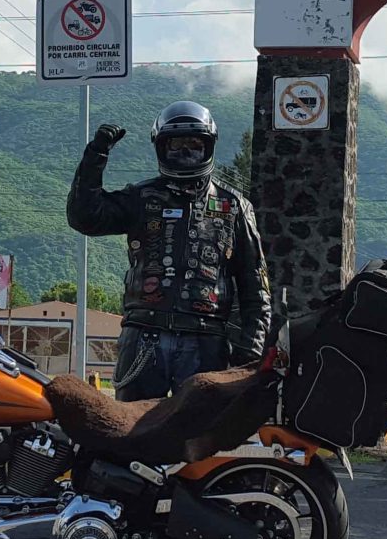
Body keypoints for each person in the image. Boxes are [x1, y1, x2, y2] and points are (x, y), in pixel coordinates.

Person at [66, 100, 271, 401]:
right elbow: (85, 217)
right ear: (161, 148)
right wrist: (95, 156)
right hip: (144, 335)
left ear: (209, 146)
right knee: (130, 433)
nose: (186, 153)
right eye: (176, 145)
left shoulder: (234, 207)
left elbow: (256, 288)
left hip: (206, 339)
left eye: (194, 145)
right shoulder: (141, 197)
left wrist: (248, 352)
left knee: (198, 436)